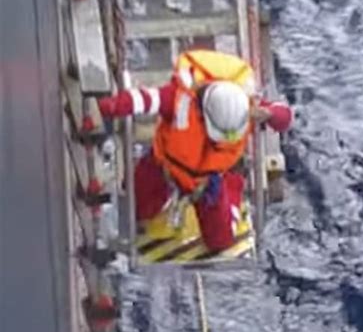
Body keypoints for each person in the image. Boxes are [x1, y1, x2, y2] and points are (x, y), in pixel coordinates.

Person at [98, 49, 292, 252]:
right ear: (203, 113)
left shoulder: (245, 109)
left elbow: (285, 116)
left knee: (220, 241)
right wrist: (105, 109)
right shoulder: (178, 99)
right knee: (137, 210)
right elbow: (142, 99)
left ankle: (233, 186)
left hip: (208, 182)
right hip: (164, 167)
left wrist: (271, 114)